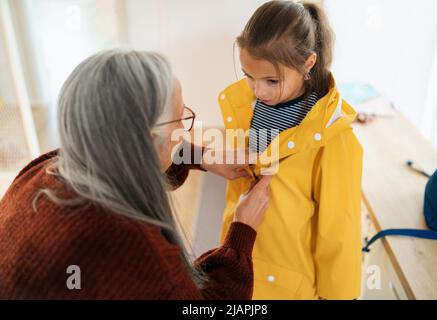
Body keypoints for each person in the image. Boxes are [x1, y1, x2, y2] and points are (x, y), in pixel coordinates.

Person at [0, 50, 272, 299]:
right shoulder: (132, 245)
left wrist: (202, 157)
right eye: (180, 119)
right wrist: (242, 232)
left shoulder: (46, 168)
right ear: (149, 140)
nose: (186, 129)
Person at [218, 0, 363, 299]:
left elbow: (340, 230)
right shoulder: (245, 108)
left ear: (307, 64)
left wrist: (337, 295)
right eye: (248, 76)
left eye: (271, 80)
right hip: (238, 259)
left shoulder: (335, 139)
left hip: (288, 283)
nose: (258, 90)